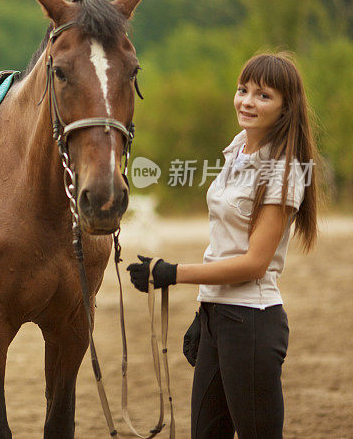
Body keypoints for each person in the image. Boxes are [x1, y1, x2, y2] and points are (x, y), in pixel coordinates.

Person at [127, 52, 320, 438]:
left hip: (251, 322)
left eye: (263, 95)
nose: (247, 101)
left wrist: (171, 273)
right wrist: (204, 310)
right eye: (243, 90)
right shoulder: (238, 150)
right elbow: (222, 243)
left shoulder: (283, 173)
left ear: (286, 107)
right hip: (218, 318)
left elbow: (253, 264)